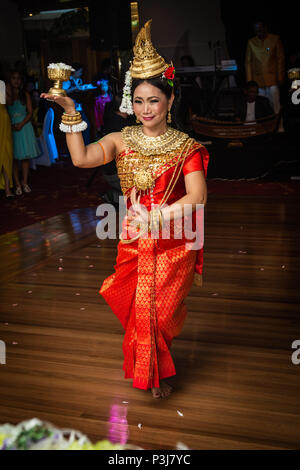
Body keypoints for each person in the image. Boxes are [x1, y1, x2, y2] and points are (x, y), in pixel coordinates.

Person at [40, 19, 209, 399]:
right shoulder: (120, 138)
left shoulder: (187, 147)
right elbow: (82, 159)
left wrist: (156, 217)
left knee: (162, 313)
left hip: (175, 240)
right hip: (133, 239)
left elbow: (197, 197)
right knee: (139, 309)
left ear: (170, 100)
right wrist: (70, 111)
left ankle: (153, 363)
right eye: (138, 100)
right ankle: (151, 375)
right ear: (130, 103)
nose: (145, 108)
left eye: (153, 100)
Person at [245, 19, 285, 131]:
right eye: (257, 31)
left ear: (265, 28)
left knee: (275, 104)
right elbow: (248, 62)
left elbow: (280, 59)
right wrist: (250, 81)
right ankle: (265, 128)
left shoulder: (274, 39)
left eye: (261, 30)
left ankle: (279, 127)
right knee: (261, 107)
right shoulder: (251, 42)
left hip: (272, 79)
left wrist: (280, 76)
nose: (259, 33)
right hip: (258, 81)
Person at [7, 71, 40, 195]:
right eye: (13, 78)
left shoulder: (24, 94)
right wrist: (10, 124)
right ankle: (17, 184)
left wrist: (21, 124)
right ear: (9, 80)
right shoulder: (6, 95)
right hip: (11, 126)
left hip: (24, 126)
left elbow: (30, 112)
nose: (16, 81)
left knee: (25, 158)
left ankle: (25, 182)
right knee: (14, 158)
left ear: (21, 81)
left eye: (18, 78)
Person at [0, 81, 14, 197]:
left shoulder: (1, 84)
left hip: (2, 120)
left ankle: (7, 189)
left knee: (6, 152)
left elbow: (9, 102)